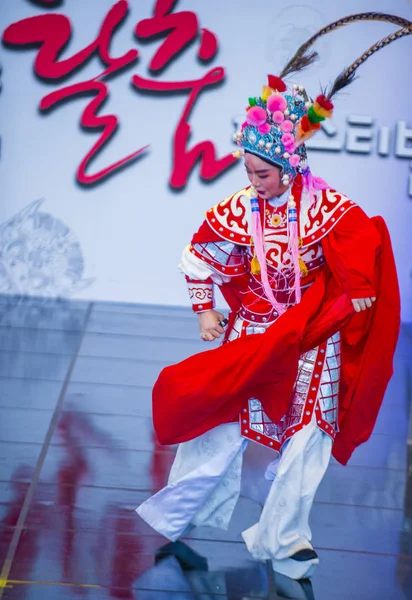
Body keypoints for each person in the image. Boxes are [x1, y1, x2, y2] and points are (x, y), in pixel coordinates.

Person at [137, 13, 404, 580]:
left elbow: (361, 240)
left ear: (289, 168)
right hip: (257, 325)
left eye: (262, 172)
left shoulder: (323, 205)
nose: (251, 179)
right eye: (248, 169)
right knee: (223, 420)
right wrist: (206, 308)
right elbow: (203, 254)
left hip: (312, 333)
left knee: (309, 434)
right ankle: (184, 510)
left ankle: (284, 540)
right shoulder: (241, 206)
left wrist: (357, 291)